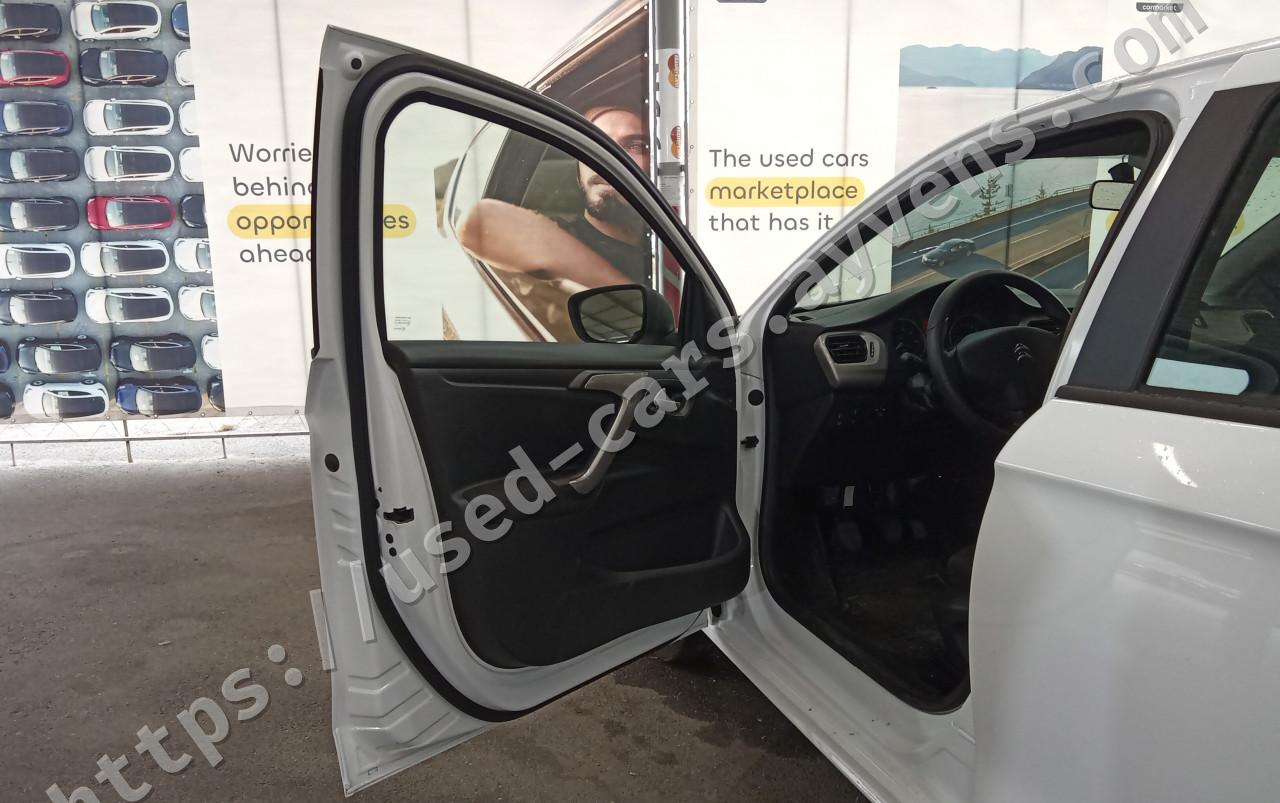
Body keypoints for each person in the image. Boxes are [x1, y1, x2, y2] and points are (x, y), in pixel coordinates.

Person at [457, 105, 653, 289]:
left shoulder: (664, 239)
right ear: (578, 174)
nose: (609, 160)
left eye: (636, 146)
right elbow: (476, 222)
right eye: (594, 146)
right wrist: (628, 296)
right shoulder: (561, 235)